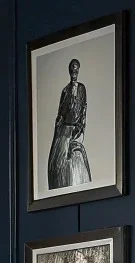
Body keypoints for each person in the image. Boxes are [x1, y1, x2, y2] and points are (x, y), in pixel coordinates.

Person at [47, 58, 91, 189]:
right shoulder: (65, 91)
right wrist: (58, 125)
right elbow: (61, 111)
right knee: (58, 160)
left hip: (76, 129)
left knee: (76, 157)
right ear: (69, 71)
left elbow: (84, 108)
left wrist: (81, 126)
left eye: (76, 69)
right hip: (64, 129)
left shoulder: (82, 88)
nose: (74, 71)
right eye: (72, 68)